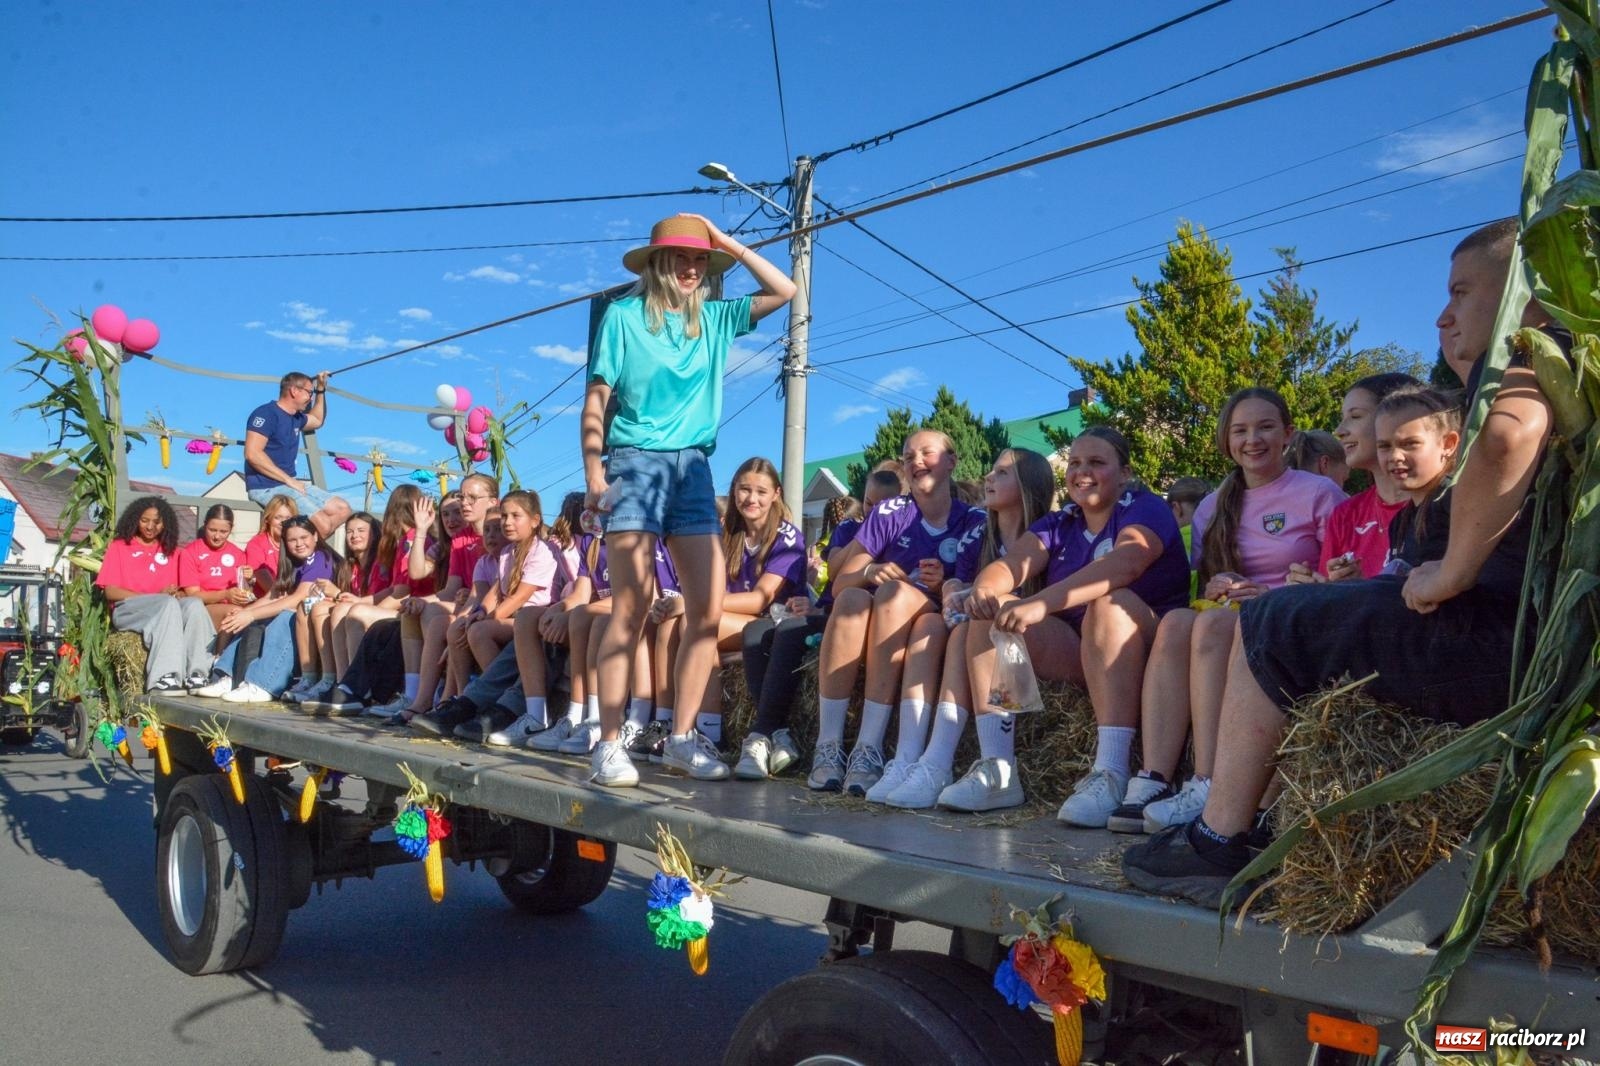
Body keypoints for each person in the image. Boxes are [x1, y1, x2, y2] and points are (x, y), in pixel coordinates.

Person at [1122, 218, 1558, 905]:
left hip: (1502, 640)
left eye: (1462, 292)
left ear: (1523, 297)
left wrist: (1452, 572)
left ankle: (1222, 839)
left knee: (1278, 622)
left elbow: (1509, 437)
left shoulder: (1535, 362)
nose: (1443, 313)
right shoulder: (1546, 370)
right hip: (1520, 631)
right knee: (1282, 614)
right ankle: (1244, 814)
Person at [580, 213, 796, 788]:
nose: (690, 266)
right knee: (631, 606)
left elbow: (787, 290)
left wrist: (727, 242)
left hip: (695, 469)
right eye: (679, 256)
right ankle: (607, 744)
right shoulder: (624, 318)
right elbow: (597, 399)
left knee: (704, 610)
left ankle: (679, 737)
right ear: (656, 263)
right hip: (634, 462)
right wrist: (594, 473)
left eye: (699, 259)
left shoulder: (718, 318)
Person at [1110, 387, 1343, 834]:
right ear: (1227, 439)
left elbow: (1340, 569)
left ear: (1288, 434)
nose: (1252, 439)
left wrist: (1273, 593)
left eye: (1265, 427)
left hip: (1292, 618)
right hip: (1233, 615)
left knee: (1214, 626)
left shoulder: (1318, 491)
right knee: (1178, 621)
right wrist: (1219, 583)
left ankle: (1209, 782)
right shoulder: (1215, 503)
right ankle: (1155, 777)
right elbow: (1210, 578)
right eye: (1240, 430)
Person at [867, 447, 1057, 807]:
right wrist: (953, 589)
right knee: (939, 629)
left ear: (1030, 483)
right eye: (991, 470)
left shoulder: (1049, 530)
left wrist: (974, 595)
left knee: (992, 614)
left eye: (1002, 473)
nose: (988, 477)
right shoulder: (977, 535)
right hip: (983, 636)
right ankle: (925, 760)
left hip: (1039, 639)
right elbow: (957, 581)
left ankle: (993, 766)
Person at [807, 430, 988, 794]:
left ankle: (869, 747)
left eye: (927, 453)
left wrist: (943, 584)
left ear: (951, 461)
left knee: (890, 595)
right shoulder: (891, 511)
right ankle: (828, 747)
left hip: (932, 615)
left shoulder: (974, 520)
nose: (916, 460)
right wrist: (870, 570)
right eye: (908, 456)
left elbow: (972, 587)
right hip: (882, 611)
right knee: (852, 600)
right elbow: (841, 583)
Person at [735, 467, 903, 779]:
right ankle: (777, 734)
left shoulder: (904, 534)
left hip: (852, 621)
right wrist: (867, 534)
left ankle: (761, 734)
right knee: (755, 631)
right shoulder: (848, 531)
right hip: (824, 611)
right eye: (869, 504)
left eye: (884, 506)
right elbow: (836, 570)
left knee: (787, 633)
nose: (874, 511)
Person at [654, 457, 805, 753]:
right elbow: (704, 587)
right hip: (728, 617)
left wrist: (689, 603)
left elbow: (759, 599)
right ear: (734, 490)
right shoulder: (724, 535)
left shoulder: (787, 537)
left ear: (776, 494)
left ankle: (710, 732)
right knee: (670, 625)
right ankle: (663, 723)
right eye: (744, 489)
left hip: (767, 624)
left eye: (761, 492)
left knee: (698, 622)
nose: (751, 499)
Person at [1285, 373, 1421, 585]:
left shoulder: (1444, 506)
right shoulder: (1345, 514)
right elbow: (1335, 603)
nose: (1339, 431)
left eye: (1355, 416)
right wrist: (1311, 590)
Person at [191, 516, 344, 702]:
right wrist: (245, 613)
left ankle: (264, 684)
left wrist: (250, 614)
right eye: (292, 540)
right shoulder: (293, 563)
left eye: (304, 538)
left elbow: (299, 598)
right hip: (306, 612)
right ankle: (227, 676)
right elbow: (271, 596)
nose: (299, 544)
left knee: (283, 617)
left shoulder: (319, 559)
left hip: (321, 614)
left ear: (315, 537)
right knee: (250, 619)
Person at [96, 496, 216, 692]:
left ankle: (197, 673)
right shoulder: (119, 547)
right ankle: (164, 677)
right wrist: (155, 597)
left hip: (165, 608)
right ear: (134, 519)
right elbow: (110, 591)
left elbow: (184, 592)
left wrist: (179, 596)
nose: (150, 526)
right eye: (144, 520)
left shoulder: (175, 552)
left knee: (194, 604)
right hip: (128, 609)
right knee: (166, 604)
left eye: (157, 522)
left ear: (165, 523)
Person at [288, 509, 383, 705]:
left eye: (361, 530)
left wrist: (338, 594)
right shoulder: (350, 567)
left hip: (376, 615)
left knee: (331, 609)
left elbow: (379, 598)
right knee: (311, 606)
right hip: (355, 612)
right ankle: (322, 679)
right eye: (349, 531)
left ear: (374, 533)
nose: (354, 535)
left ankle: (346, 684)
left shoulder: (381, 563)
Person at [243, 371, 351, 538]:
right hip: (266, 486)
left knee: (343, 509)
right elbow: (252, 453)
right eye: (309, 392)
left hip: (289, 484)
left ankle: (300, 548)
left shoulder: (296, 418)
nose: (310, 397)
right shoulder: (266, 414)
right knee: (322, 525)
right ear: (294, 391)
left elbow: (317, 420)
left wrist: (321, 390)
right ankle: (301, 554)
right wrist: (289, 480)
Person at [178, 504, 252, 635]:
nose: (217, 536)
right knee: (236, 614)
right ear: (205, 525)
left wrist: (249, 581)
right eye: (212, 530)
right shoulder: (190, 552)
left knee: (246, 614)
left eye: (223, 532)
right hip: (203, 608)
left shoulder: (238, 554)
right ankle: (220, 654)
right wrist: (225, 594)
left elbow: (245, 592)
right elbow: (193, 595)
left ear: (231, 529)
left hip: (233, 607)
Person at [244, 494, 297, 600]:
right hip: (267, 601)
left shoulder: (297, 544)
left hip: (292, 598)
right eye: (278, 518)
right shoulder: (256, 544)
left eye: (288, 518)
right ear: (268, 519)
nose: (283, 523)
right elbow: (269, 587)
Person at [1285, 429, 1349, 489]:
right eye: (1343, 480)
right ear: (1325, 463)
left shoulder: (1278, 493)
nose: (1342, 488)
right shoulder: (1330, 496)